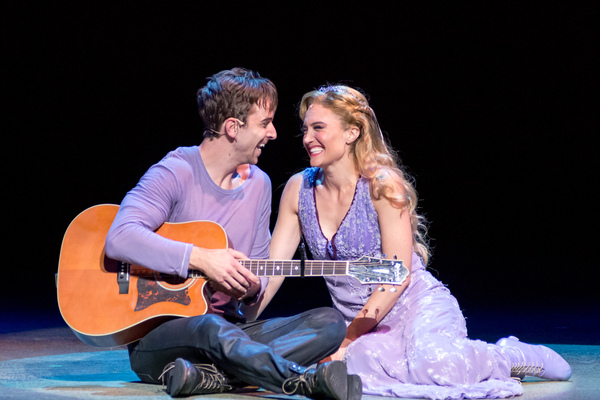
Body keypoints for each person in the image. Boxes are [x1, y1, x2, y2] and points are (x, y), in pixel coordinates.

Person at [268, 84, 572, 399]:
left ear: (352, 132)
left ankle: (508, 355)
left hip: (412, 307)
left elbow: (397, 277)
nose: (306, 139)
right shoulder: (298, 188)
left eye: (318, 128)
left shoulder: (382, 186)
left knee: (438, 369)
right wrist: (238, 319)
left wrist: (346, 339)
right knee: (359, 367)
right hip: (359, 321)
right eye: (305, 130)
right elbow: (272, 269)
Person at [104, 68, 362, 400]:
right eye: (265, 123)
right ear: (232, 128)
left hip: (229, 333)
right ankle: (303, 382)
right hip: (161, 341)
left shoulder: (259, 184)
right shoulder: (176, 170)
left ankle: (210, 379)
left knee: (328, 322)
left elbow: (257, 274)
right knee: (208, 327)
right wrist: (201, 259)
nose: (274, 133)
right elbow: (120, 236)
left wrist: (253, 286)